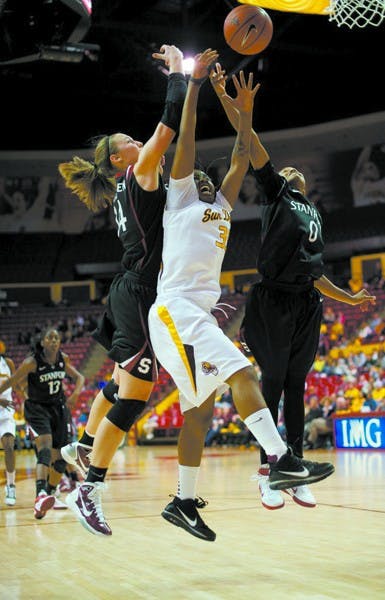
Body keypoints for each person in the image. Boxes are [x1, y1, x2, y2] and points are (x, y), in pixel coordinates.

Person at [148, 56, 335, 543]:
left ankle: (183, 502)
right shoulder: (182, 199)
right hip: (175, 310)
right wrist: (194, 87)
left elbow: (238, 158)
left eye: (211, 181)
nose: (207, 181)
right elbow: (186, 140)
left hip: (197, 315)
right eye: (200, 178)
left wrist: (244, 110)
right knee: (243, 372)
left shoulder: (221, 207)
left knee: (199, 413)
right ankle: (280, 459)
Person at [209, 64, 376, 510]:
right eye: (284, 169)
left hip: (307, 300)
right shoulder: (278, 194)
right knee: (276, 380)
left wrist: (350, 297)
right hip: (273, 299)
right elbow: (250, 142)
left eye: (293, 169)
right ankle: (268, 469)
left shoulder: (314, 214)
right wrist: (233, 102)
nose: (290, 169)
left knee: (298, 383)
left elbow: (315, 272)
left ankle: (296, 466)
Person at [58, 44, 187, 536]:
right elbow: (168, 126)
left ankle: (85, 442)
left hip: (130, 290)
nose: (139, 140)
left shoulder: (127, 186)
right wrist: (177, 73)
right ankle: (88, 489)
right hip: (137, 293)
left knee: (120, 382)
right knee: (136, 396)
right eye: (130, 139)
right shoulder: (139, 172)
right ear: (119, 157)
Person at [0, 328, 85, 518]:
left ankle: (49, 493)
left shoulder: (63, 359)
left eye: (57, 338)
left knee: (62, 458)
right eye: (50, 338)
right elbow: (12, 381)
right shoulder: (32, 362)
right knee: (45, 448)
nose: (54, 341)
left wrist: (76, 394)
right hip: (37, 409)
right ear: (43, 342)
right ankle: (40, 494)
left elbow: (80, 377)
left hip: (58, 408)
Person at [0, 341, 17, 505]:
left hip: (6, 413)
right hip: (2, 405)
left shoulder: (8, 363)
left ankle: (11, 485)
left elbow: (17, 384)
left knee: (9, 447)